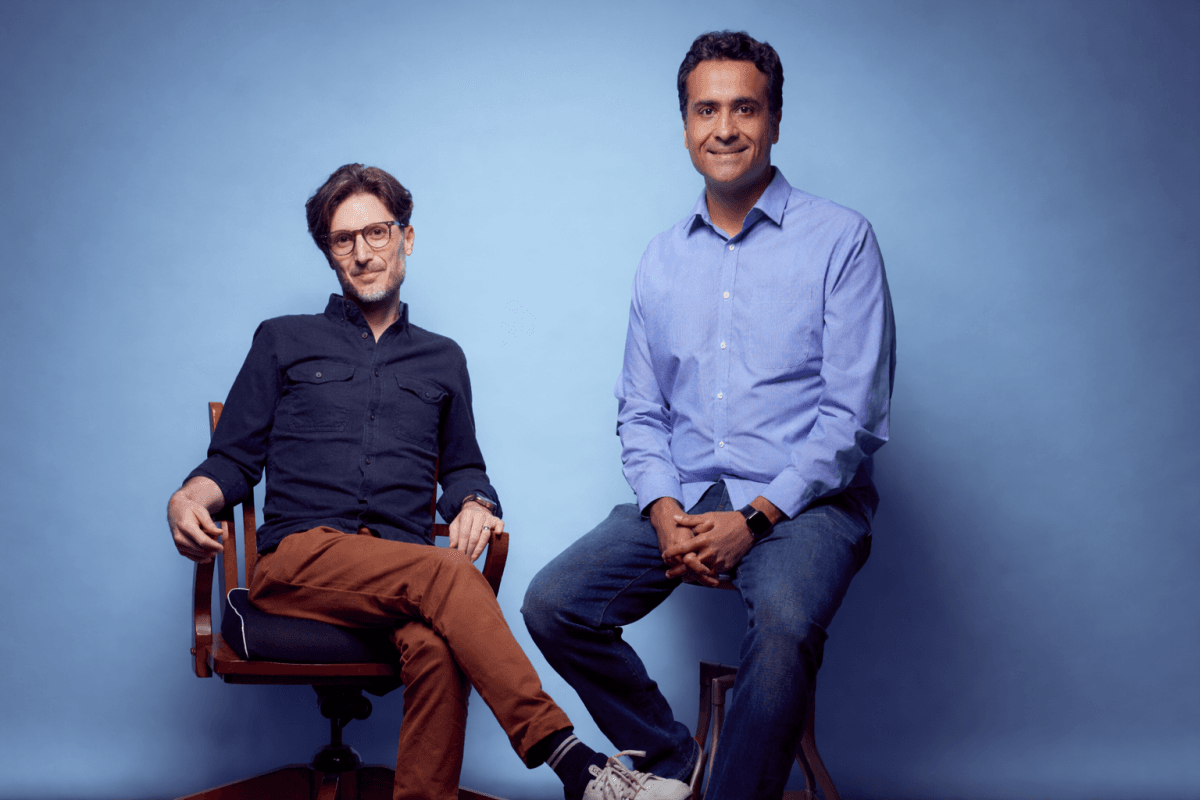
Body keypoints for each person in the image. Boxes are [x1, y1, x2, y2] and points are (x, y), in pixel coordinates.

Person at [167, 163, 691, 800]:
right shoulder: (282, 340)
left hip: (400, 576)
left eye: (377, 233)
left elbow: (465, 466)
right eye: (343, 240)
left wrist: (474, 502)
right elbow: (232, 459)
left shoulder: (444, 359)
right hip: (301, 561)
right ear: (329, 253)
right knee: (447, 573)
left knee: (439, 649)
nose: (363, 253)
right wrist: (189, 497)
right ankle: (574, 764)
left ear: (406, 238)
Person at [522, 31, 896, 800]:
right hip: (690, 493)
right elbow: (640, 411)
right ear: (686, 124)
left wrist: (755, 518)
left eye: (744, 108)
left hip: (807, 503)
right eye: (706, 110)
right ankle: (676, 768)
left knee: (784, 627)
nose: (724, 128)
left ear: (776, 119)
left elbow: (852, 416)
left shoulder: (842, 240)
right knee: (553, 603)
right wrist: (663, 510)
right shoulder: (661, 259)